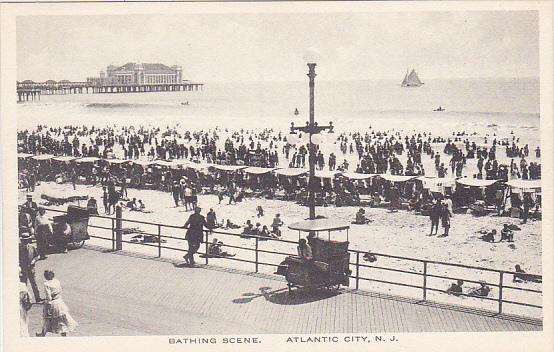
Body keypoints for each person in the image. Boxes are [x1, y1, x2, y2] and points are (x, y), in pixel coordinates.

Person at [36, 270, 78, 336]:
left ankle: (43, 333)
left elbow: (48, 297)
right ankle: (63, 334)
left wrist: (47, 303)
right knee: (61, 319)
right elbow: (60, 290)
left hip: (52, 303)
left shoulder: (46, 284)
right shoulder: (57, 281)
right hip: (59, 302)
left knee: (47, 319)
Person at [19, 233, 43, 303]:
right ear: (22, 240)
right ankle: (24, 299)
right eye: (24, 240)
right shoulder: (19, 248)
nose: (26, 241)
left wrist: (34, 260)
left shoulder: (32, 247)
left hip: (31, 268)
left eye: (27, 240)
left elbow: (37, 256)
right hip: (23, 269)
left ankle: (38, 298)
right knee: (24, 285)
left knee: (34, 284)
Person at [19, 269, 33, 337]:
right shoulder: (22, 286)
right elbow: (29, 300)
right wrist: (27, 307)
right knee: (22, 326)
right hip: (21, 309)